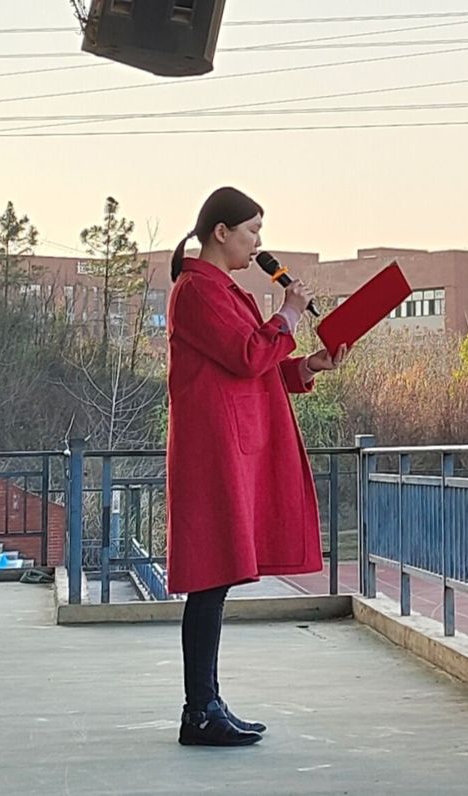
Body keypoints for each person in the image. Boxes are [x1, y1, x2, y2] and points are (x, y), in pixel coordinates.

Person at [166, 186, 347, 747]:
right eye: (252, 232)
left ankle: (207, 703)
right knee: (209, 579)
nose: (259, 244)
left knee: (216, 580)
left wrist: (309, 364)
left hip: (229, 447)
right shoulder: (197, 290)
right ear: (221, 232)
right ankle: (199, 711)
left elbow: (257, 366)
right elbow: (248, 355)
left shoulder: (222, 291)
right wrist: (289, 312)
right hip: (213, 451)